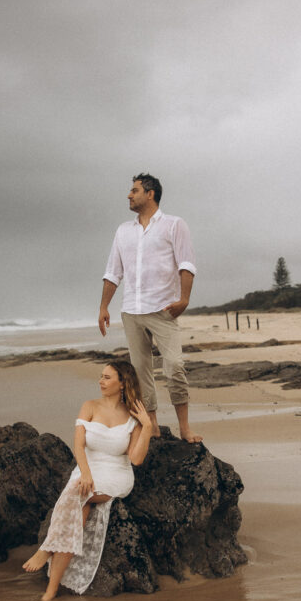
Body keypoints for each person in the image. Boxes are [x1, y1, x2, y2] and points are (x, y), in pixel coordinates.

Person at [22, 361, 152, 601]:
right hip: (87, 468)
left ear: (122, 383)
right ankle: (51, 589)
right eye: (101, 376)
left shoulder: (132, 416)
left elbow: (136, 459)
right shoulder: (89, 406)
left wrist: (147, 426)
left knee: (77, 497)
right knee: (78, 506)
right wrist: (86, 473)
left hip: (116, 474)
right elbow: (78, 445)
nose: (100, 381)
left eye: (107, 377)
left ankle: (46, 550)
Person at [98, 174, 202, 443]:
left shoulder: (174, 225)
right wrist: (104, 306)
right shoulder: (123, 231)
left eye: (134, 190)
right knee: (141, 372)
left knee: (175, 366)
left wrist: (184, 299)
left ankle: (185, 428)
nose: (129, 195)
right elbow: (113, 272)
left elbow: (187, 264)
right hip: (131, 310)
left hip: (163, 309)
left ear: (150, 193)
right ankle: (153, 426)